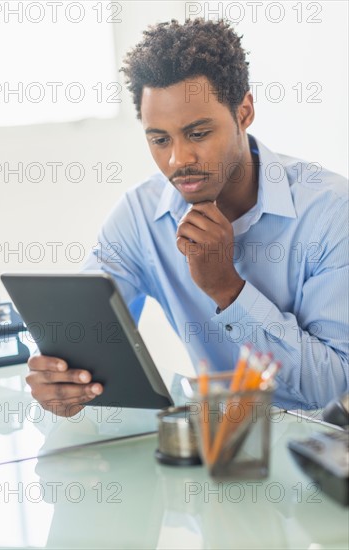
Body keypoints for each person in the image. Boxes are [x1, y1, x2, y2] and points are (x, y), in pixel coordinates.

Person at [27, 19, 348, 416]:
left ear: (244, 112)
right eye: (160, 140)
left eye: (197, 133)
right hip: (210, 448)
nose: (178, 160)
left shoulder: (332, 212)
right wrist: (64, 380)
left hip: (316, 456)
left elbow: (338, 389)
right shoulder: (141, 215)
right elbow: (83, 332)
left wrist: (228, 291)